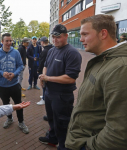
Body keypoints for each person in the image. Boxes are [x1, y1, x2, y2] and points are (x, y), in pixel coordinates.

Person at [65, 14, 127, 150]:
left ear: (103, 33)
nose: (81, 39)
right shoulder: (103, 60)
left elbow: (119, 132)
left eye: (85, 34)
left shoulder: (120, 68)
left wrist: (87, 146)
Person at [38, 24, 82, 150]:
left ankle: (63, 146)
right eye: (53, 37)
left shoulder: (72, 53)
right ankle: (52, 138)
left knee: (62, 123)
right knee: (51, 118)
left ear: (66, 36)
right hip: (49, 92)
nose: (55, 40)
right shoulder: (51, 50)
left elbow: (70, 78)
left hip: (62, 95)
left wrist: (48, 78)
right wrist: (43, 76)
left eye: (58, 37)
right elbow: (45, 65)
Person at [0, 33, 29, 134]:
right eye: (7, 41)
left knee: (19, 104)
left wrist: (15, 74)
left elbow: (20, 66)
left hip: (14, 84)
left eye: (10, 41)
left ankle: (21, 122)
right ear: (2, 41)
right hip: (2, 85)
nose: (9, 43)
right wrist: (2, 73)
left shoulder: (16, 53)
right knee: (6, 104)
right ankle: (9, 119)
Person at [37, 36, 53, 105]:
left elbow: (42, 62)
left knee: (43, 84)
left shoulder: (45, 51)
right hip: (50, 70)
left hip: (44, 70)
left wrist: (38, 70)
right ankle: (44, 96)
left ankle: (44, 99)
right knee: (46, 85)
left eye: (41, 42)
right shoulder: (52, 49)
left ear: (42, 42)